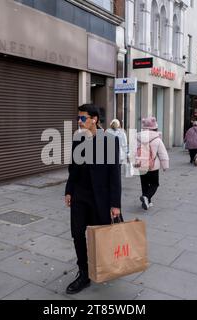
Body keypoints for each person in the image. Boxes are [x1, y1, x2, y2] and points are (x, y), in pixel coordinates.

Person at [64, 104, 122, 294]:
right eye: (78, 118)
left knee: (101, 235)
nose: (79, 122)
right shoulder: (78, 139)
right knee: (77, 234)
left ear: (94, 119)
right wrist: (69, 191)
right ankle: (83, 273)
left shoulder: (110, 141)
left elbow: (115, 174)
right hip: (80, 196)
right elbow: (73, 168)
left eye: (82, 118)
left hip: (101, 198)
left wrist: (115, 204)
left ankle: (102, 264)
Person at [136, 117, 169, 210]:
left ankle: (147, 201)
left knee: (144, 183)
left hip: (141, 165)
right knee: (155, 184)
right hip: (153, 166)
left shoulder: (138, 137)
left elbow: (134, 151)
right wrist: (165, 166)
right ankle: (147, 197)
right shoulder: (157, 139)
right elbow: (163, 153)